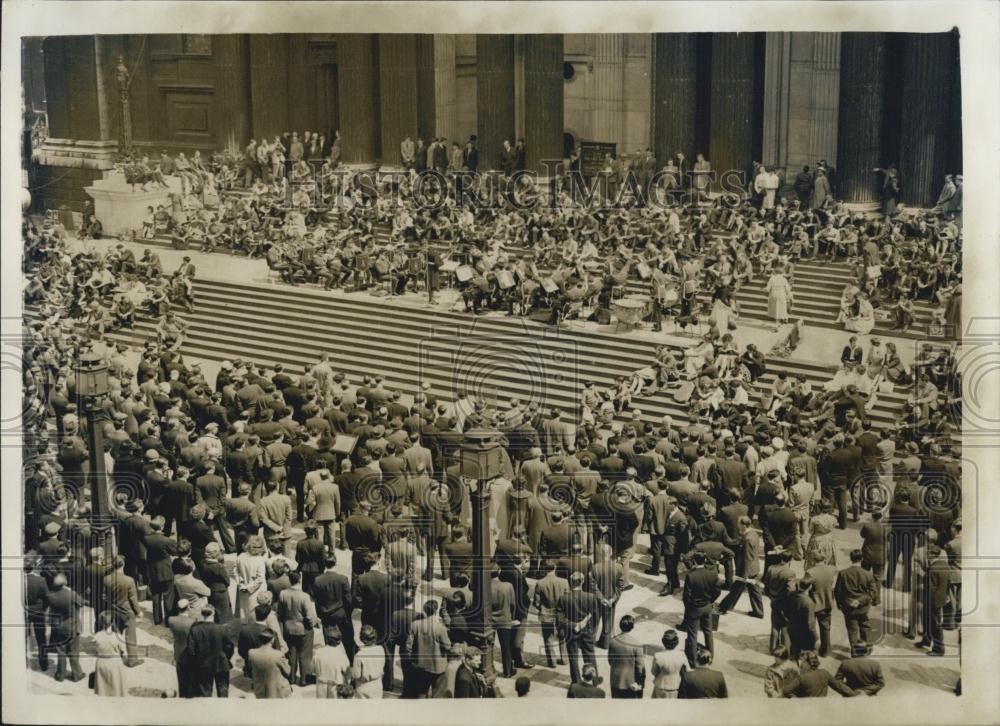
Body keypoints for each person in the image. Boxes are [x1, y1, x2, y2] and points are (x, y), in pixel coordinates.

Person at [556, 571, 599, 684]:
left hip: (571, 633)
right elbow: (595, 618)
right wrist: (590, 629)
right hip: (587, 632)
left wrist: (574, 625)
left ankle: (576, 682)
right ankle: (594, 681)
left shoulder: (563, 599)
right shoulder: (591, 597)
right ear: (583, 582)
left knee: (573, 659)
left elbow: (560, 619)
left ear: (571, 582)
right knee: (590, 656)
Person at [681, 550, 722, 667]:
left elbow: (686, 596)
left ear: (694, 560)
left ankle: (693, 660)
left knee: (693, 635)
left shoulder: (691, 575)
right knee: (708, 632)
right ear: (705, 560)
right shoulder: (712, 574)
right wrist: (710, 600)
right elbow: (718, 590)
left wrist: (689, 607)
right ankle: (710, 657)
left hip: (694, 608)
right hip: (707, 606)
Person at [834, 549, 880, 653]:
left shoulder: (843, 573)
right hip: (863, 608)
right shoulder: (868, 574)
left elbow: (837, 591)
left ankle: (855, 651)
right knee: (864, 625)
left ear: (850, 559)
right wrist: (860, 601)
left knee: (852, 629)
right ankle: (865, 644)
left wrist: (839, 604)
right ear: (862, 559)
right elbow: (873, 592)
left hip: (848, 607)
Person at [406, 598, 452, 697]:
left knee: (421, 693)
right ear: (435, 612)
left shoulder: (415, 625)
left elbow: (408, 646)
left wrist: (413, 661)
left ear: (424, 610)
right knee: (437, 695)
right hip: (438, 667)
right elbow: (448, 646)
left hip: (421, 666)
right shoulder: (440, 628)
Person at [607, 614, 645, 698]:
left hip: (615, 679)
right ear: (632, 627)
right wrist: (639, 683)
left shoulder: (612, 641)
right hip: (630, 682)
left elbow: (610, 660)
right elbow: (640, 666)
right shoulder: (637, 644)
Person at [247, 630, 293, 698]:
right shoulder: (278, 655)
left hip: (260, 691)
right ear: (272, 640)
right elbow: (288, 672)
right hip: (277, 692)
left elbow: (250, 672)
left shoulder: (251, 653)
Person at [92, 610, 128, 696]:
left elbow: (96, 649)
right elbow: (124, 654)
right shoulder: (118, 636)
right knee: (116, 689)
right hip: (114, 664)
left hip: (101, 663)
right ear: (112, 622)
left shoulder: (96, 636)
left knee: (102, 690)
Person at [314, 627, 351, 698]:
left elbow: (313, 669)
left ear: (327, 639)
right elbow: (347, 671)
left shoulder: (318, 652)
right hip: (335, 685)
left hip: (321, 685)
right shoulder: (341, 655)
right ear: (339, 641)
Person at [649, 629, 687, 698]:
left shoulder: (658, 656)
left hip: (661, 685)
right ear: (676, 642)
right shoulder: (682, 655)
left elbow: (653, 672)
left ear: (663, 642)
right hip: (677, 685)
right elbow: (686, 671)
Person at [352, 624, 385, 698]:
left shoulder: (359, 655)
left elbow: (356, 675)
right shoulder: (381, 649)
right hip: (378, 685)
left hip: (364, 687)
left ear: (362, 639)